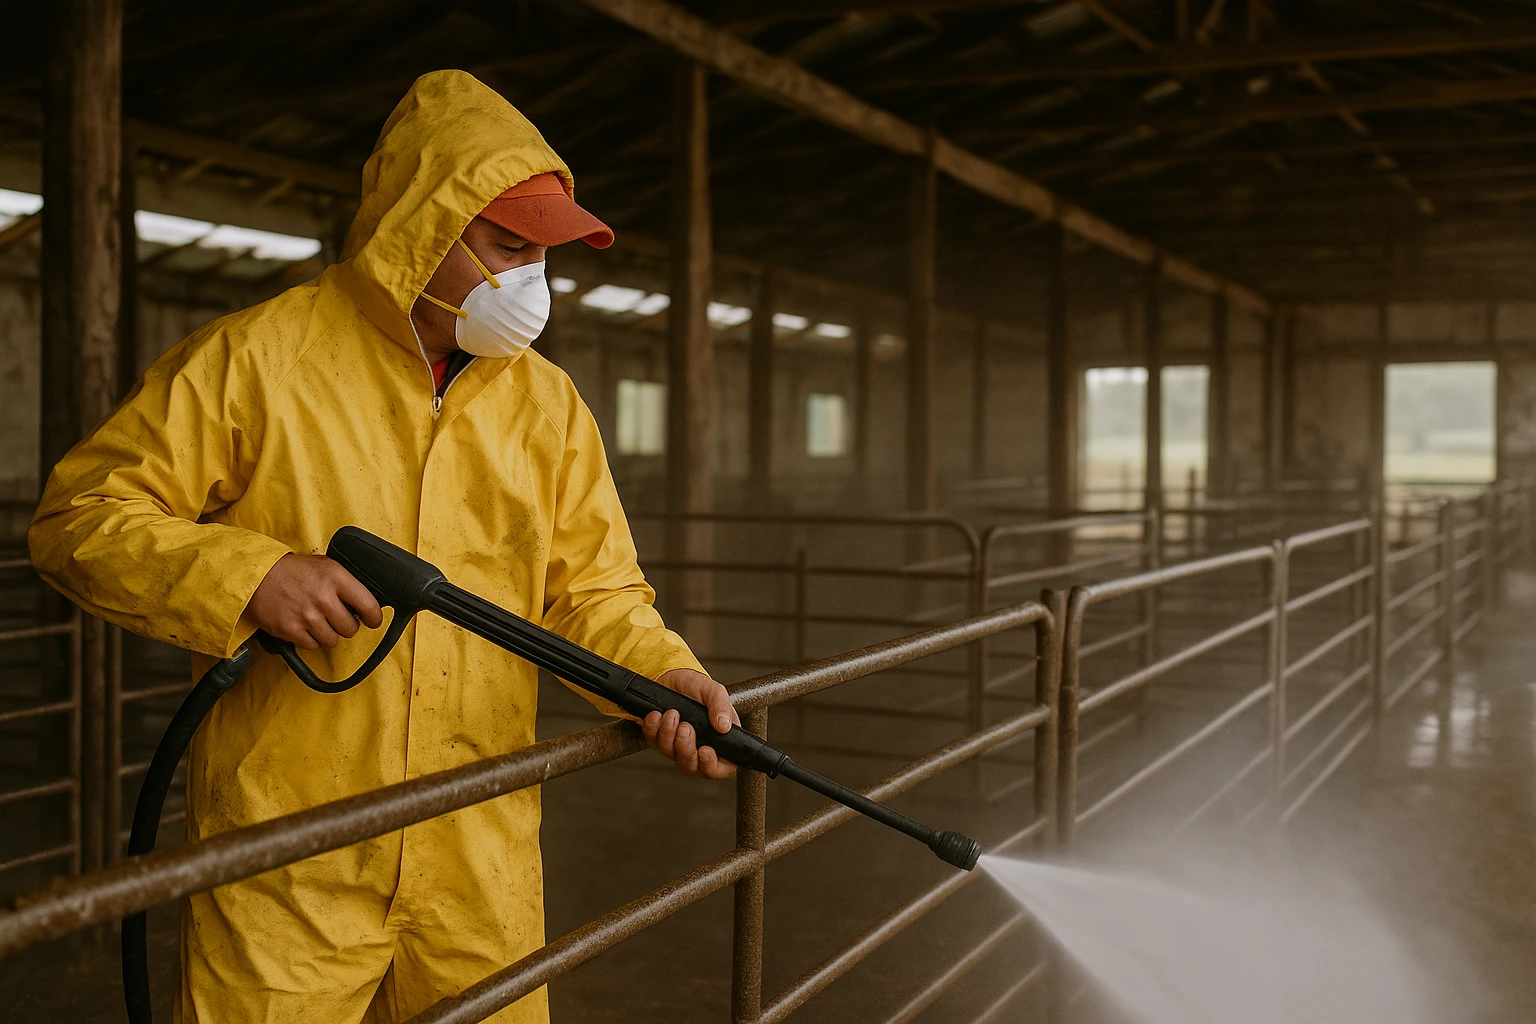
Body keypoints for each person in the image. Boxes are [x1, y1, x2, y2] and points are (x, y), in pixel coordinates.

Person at [28, 70, 734, 1024]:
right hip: (291, 848)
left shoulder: (546, 407)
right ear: (422, 223)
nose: (532, 280)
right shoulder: (261, 361)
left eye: (543, 255)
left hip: (478, 840)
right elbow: (82, 515)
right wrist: (252, 575)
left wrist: (663, 677)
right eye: (509, 246)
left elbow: (594, 591)